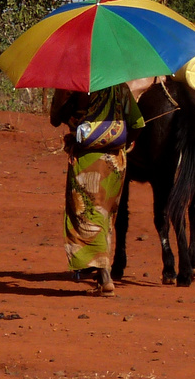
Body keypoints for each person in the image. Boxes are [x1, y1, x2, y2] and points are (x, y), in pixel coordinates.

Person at [49, 83, 146, 294]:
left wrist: (61, 90)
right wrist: (122, 143)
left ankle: (104, 274)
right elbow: (137, 123)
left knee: (89, 216)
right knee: (106, 216)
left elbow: (55, 118)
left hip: (87, 161)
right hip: (116, 162)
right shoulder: (120, 88)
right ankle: (103, 272)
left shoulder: (75, 88)